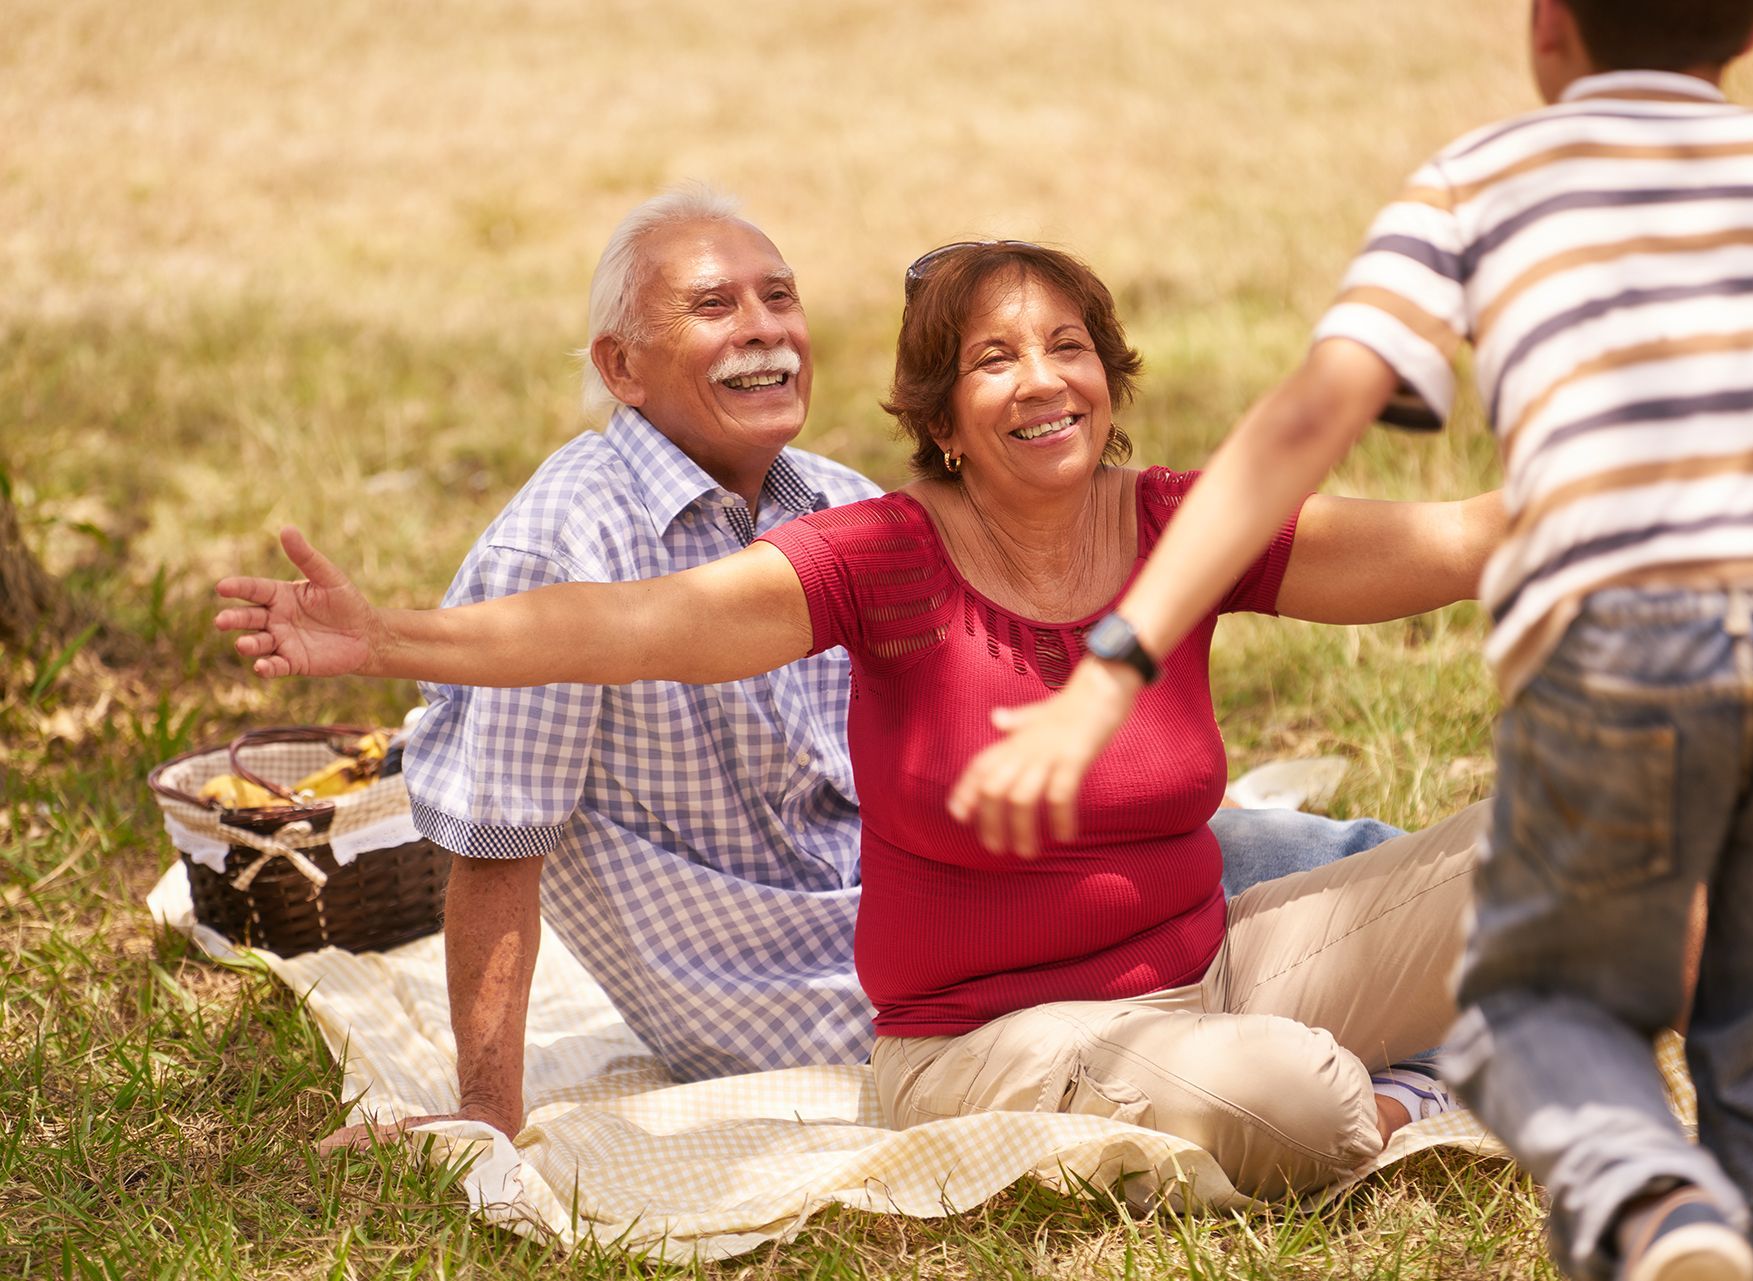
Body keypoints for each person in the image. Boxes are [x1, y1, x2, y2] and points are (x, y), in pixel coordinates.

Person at [216, 238, 1510, 1197]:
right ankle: (1393, 1094)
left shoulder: (1180, 527)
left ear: (1110, 377)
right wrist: (388, 635)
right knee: (1285, 1095)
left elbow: (1452, 542)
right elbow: (637, 622)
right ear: (941, 414)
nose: (1042, 381)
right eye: (995, 359)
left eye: (1068, 347)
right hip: (986, 1039)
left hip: (1218, 957)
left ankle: (1387, 1051)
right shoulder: (879, 554)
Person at [950, 2, 1753, 1277]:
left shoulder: (1487, 178)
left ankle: (1655, 1203)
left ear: (1548, 29)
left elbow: (1306, 423)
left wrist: (1112, 666)